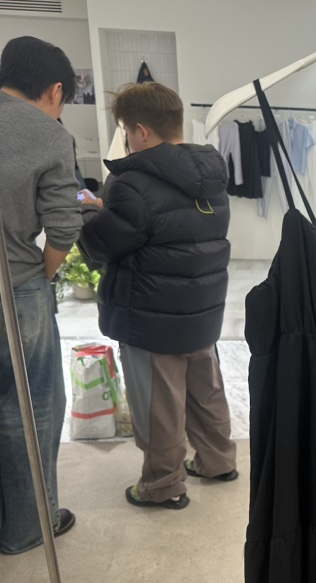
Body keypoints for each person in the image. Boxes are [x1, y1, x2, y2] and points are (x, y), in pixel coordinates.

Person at [79, 82, 237, 510]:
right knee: (205, 390)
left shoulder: (132, 183)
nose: (128, 140)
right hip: (202, 308)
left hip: (151, 316)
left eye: (127, 131)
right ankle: (218, 461)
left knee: (158, 404)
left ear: (142, 131)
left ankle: (162, 485)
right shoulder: (211, 176)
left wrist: (90, 210)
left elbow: (100, 245)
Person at [0, 37, 81, 554]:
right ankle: (29, 526)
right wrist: (42, 275)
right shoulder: (48, 133)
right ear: (54, 91)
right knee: (31, 409)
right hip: (16, 288)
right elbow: (64, 226)